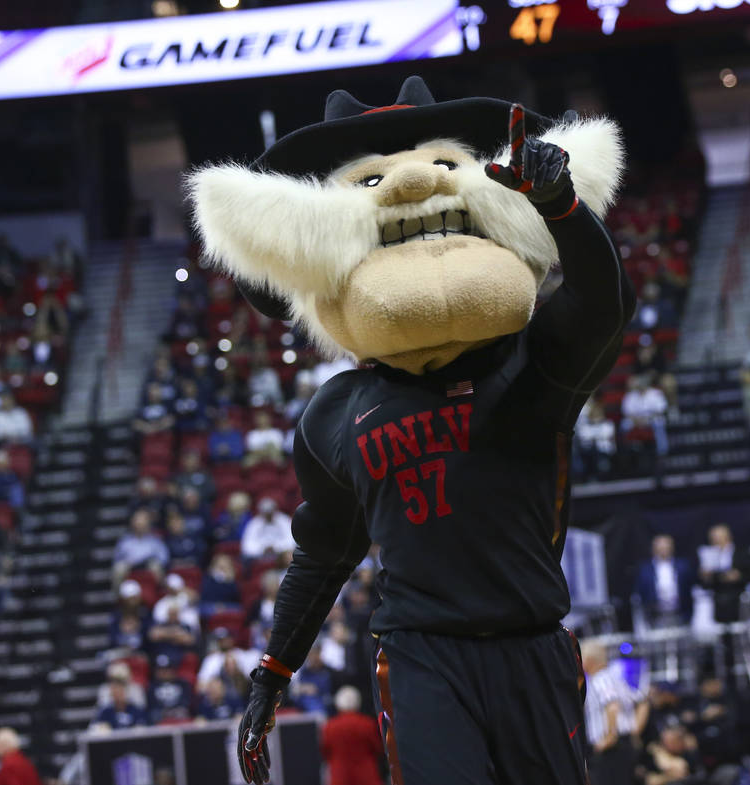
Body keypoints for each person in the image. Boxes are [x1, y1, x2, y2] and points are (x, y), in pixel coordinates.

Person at [192, 79, 634, 785]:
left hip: (532, 640)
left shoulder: (535, 359)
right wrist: (271, 673)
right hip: (421, 650)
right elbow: (323, 553)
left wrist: (562, 207)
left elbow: (602, 301)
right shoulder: (333, 413)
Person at [582, 639, 648, 785]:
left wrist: (610, 736)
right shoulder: (616, 679)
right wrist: (635, 730)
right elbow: (642, 701)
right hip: (624, 744)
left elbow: (612, 705)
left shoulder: (601, 678)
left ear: (589, 659)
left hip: (611, 749)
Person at [321, 686, 384, 785]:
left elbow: (325, 751)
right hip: (366, 775)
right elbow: (377, 748)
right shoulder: (367, 723)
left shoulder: (329, 726)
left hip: (340, 776)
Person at [634, 535, 694, 626]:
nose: (663, 550)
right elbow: (640, 591)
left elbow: (690, 587)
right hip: (655, 616)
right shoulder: (644, 569)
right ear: (653, 549)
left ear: (672, 548)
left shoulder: (683, 565)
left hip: (680, 614)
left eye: (666, 547)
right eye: (660, 547)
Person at [698, 524, 748, 624]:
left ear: (728, 537)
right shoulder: (707, 555)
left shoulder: (741, 553)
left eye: (719, 537)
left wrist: (737, 576)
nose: (716, 541)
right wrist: (705, 576)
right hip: (717, 601)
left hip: (738, 599)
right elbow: (705, 581)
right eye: (713, 538)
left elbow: (748, 574)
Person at [112, 509, 169, 585]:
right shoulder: (125, 540)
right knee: (119, 568)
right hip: (130, 566)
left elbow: (163, 558)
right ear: (132, 523)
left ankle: (160, 591)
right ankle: (119, 595)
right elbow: (117, 558)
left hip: (149, 565)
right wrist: (128, 561)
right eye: (137, 521)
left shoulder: (155, 539)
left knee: (156, 566)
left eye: (142, 521)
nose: (140, 524)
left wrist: (153, 561)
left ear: (148, 523)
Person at [197, 628, 261, 693]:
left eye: (226, 638)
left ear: (231, 639)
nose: (224, 642)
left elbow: (250, 676)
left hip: (242, 693)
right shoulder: (211, 659)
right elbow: (201, 685)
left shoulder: (241, 654)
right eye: (221, 640)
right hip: (221, 694)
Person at [621, 375, 670, 456]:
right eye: (639, 385)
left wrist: (647, 419)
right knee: (624, 425)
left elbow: (661, 410)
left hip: (652, 418)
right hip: (635, 420)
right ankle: (626, 449)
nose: (641, 386)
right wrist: (636, 420)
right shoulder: (630, 395)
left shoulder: (656, 393)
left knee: (659, 423)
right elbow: (627, 412)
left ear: (647, 384)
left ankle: (662, 450)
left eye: (643, 384)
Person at [573, 399, 616, 480]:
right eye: (594, 413)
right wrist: (598, 437)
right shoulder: (586, 427)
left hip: (606, 453)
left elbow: (608, 435)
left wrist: (595, 437)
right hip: (589, 455)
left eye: (598, 412)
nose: (596, 415)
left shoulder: (608, 424)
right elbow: (584, 438)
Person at [240, 498, 294, 563]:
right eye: (266, 512)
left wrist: (276, 548)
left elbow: (291, 541)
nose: (268, 515)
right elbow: (247, 545)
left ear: (275, 510)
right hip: (258, 557)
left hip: (281, 556)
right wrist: (262, 549)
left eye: (270, 512)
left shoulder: (284, 520)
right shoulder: (254, 523)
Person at [147, 654, 193, 724]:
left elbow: (186, 702)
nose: (164, 673)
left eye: (167, 669)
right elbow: (152, 705)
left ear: (173, 670)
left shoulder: (182, 684)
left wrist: (174, 710)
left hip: (179, 713)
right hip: (160, 715)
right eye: (160, 669)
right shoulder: (152, 686)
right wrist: (165, 711)